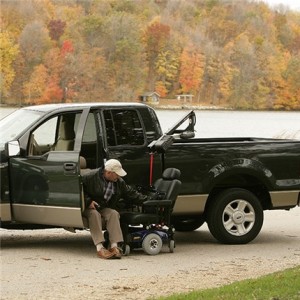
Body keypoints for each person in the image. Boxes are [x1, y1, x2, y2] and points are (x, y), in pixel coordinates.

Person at [82, 159, 148, 259]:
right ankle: (99, 248)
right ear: (108, 172)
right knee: (94, 214)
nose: (119, 176)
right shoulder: (90, 176)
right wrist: (88, 201)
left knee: (113, 213)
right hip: (89, 207)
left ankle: (114, 246)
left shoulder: (118, 181)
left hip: (103, 207)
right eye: (117, 174)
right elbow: (78, 191)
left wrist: (147, 200)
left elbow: (130, 193)